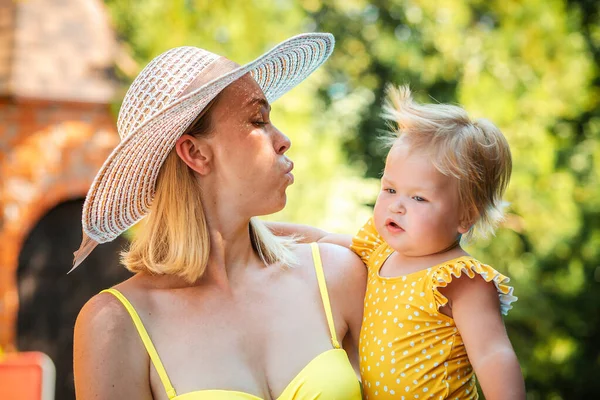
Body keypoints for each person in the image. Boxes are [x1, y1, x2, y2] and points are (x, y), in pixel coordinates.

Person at [72, 33, 366, 400]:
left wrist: (318, 237)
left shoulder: (334, 272)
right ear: (195, 153)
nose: (283, 139)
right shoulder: (115, 324)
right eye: (257, 120)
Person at [270, 85, 526, 399]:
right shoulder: (378, 250)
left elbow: (493, 355)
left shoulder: (459, 279)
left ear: (465, 216)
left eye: (418, 197)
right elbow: (319, 239)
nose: (397, 205)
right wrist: (255, 231)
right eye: (390, 189)